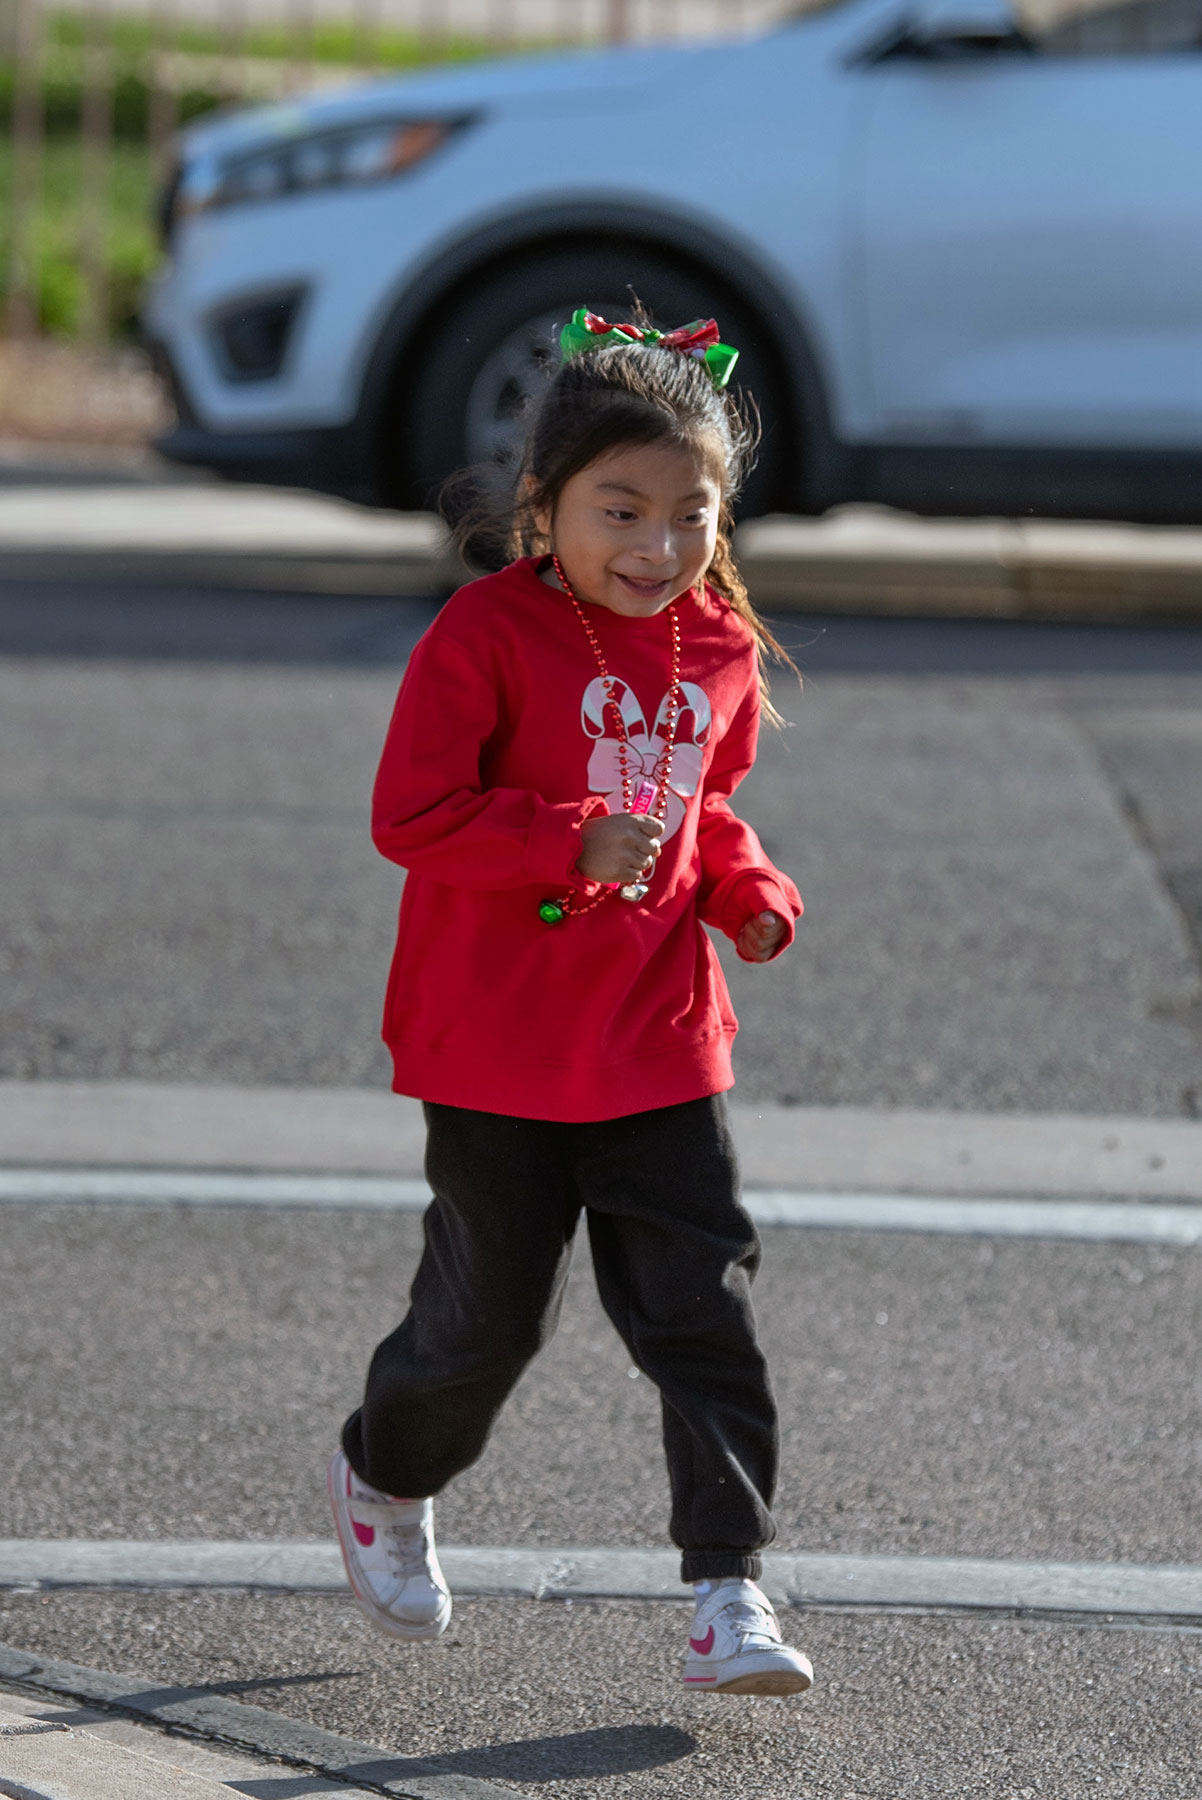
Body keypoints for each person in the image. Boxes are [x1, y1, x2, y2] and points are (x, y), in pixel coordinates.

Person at [329, 306, 811, 1697]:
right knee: (486, 1324)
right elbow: (411, 815)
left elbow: (703, 805)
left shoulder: (713, 646)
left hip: (660, 1038)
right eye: (619, 509)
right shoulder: (483, 633)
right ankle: (382, 1473)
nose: (656, 547)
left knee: (700, 1312)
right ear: (541, 508)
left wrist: (744, 884)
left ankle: (729, 1589)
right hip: (493, 1043)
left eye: (689, 513)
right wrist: (561, 838)